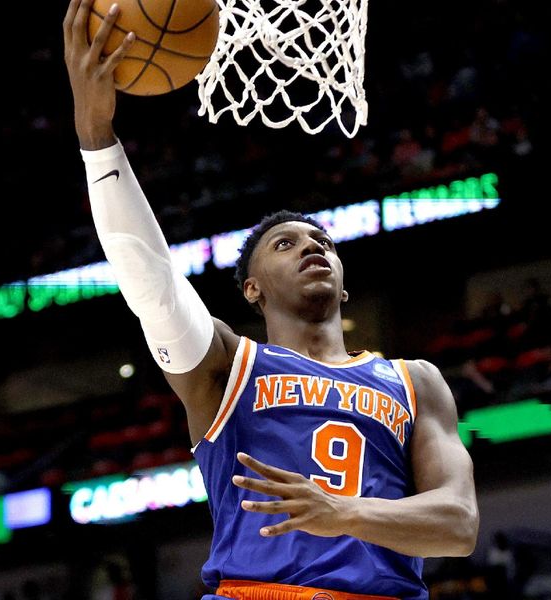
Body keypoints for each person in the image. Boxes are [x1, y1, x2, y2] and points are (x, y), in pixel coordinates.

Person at [62, 1, 479, 598]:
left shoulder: (416, 382)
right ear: (251, 290)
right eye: (285, 244)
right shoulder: (228, 367)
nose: (313, 248)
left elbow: (459, 524)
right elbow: (151, 284)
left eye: (323, 242)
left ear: (342, 279)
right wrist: (97, 140)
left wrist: (342, 513)